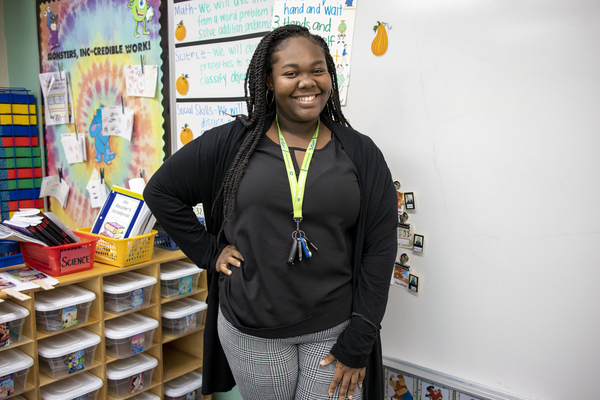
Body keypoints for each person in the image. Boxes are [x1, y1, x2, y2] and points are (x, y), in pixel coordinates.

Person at [144, 25, 397, 400]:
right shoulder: (233, 143)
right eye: (291, 73)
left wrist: (360, 335)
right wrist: (209, 252)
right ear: (268, 80)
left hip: (334, 327)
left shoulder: (360, 152)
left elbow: (380, 246)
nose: (307, 82)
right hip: (252, 328)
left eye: (318, 70)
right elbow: (160, 191)